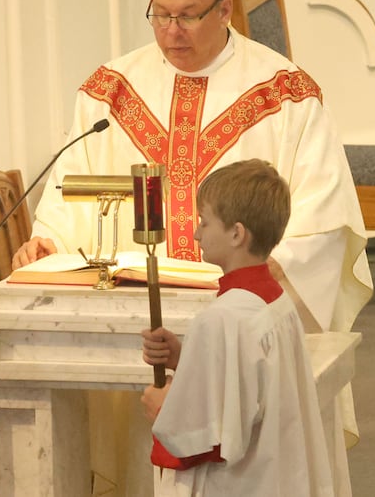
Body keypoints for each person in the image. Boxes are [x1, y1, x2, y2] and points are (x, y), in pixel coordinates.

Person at [13, 0, 371, 338]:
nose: (171, 32)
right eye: (161, 15)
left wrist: (251, 278)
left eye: (187, 17)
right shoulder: (109, 93)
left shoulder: (287, 95)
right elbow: (72, 193)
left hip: (246, 315)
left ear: (223, 11)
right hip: (134, 314)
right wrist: (51, 243)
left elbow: (322, 216)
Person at [139, 159, 333, 496]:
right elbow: (252, 385)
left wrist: (164, 407)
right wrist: (186, 358)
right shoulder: (277, 301)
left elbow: (207, 440)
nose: (197, 232)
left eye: (205, 221)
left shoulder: (220, 319)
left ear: (237, 233)